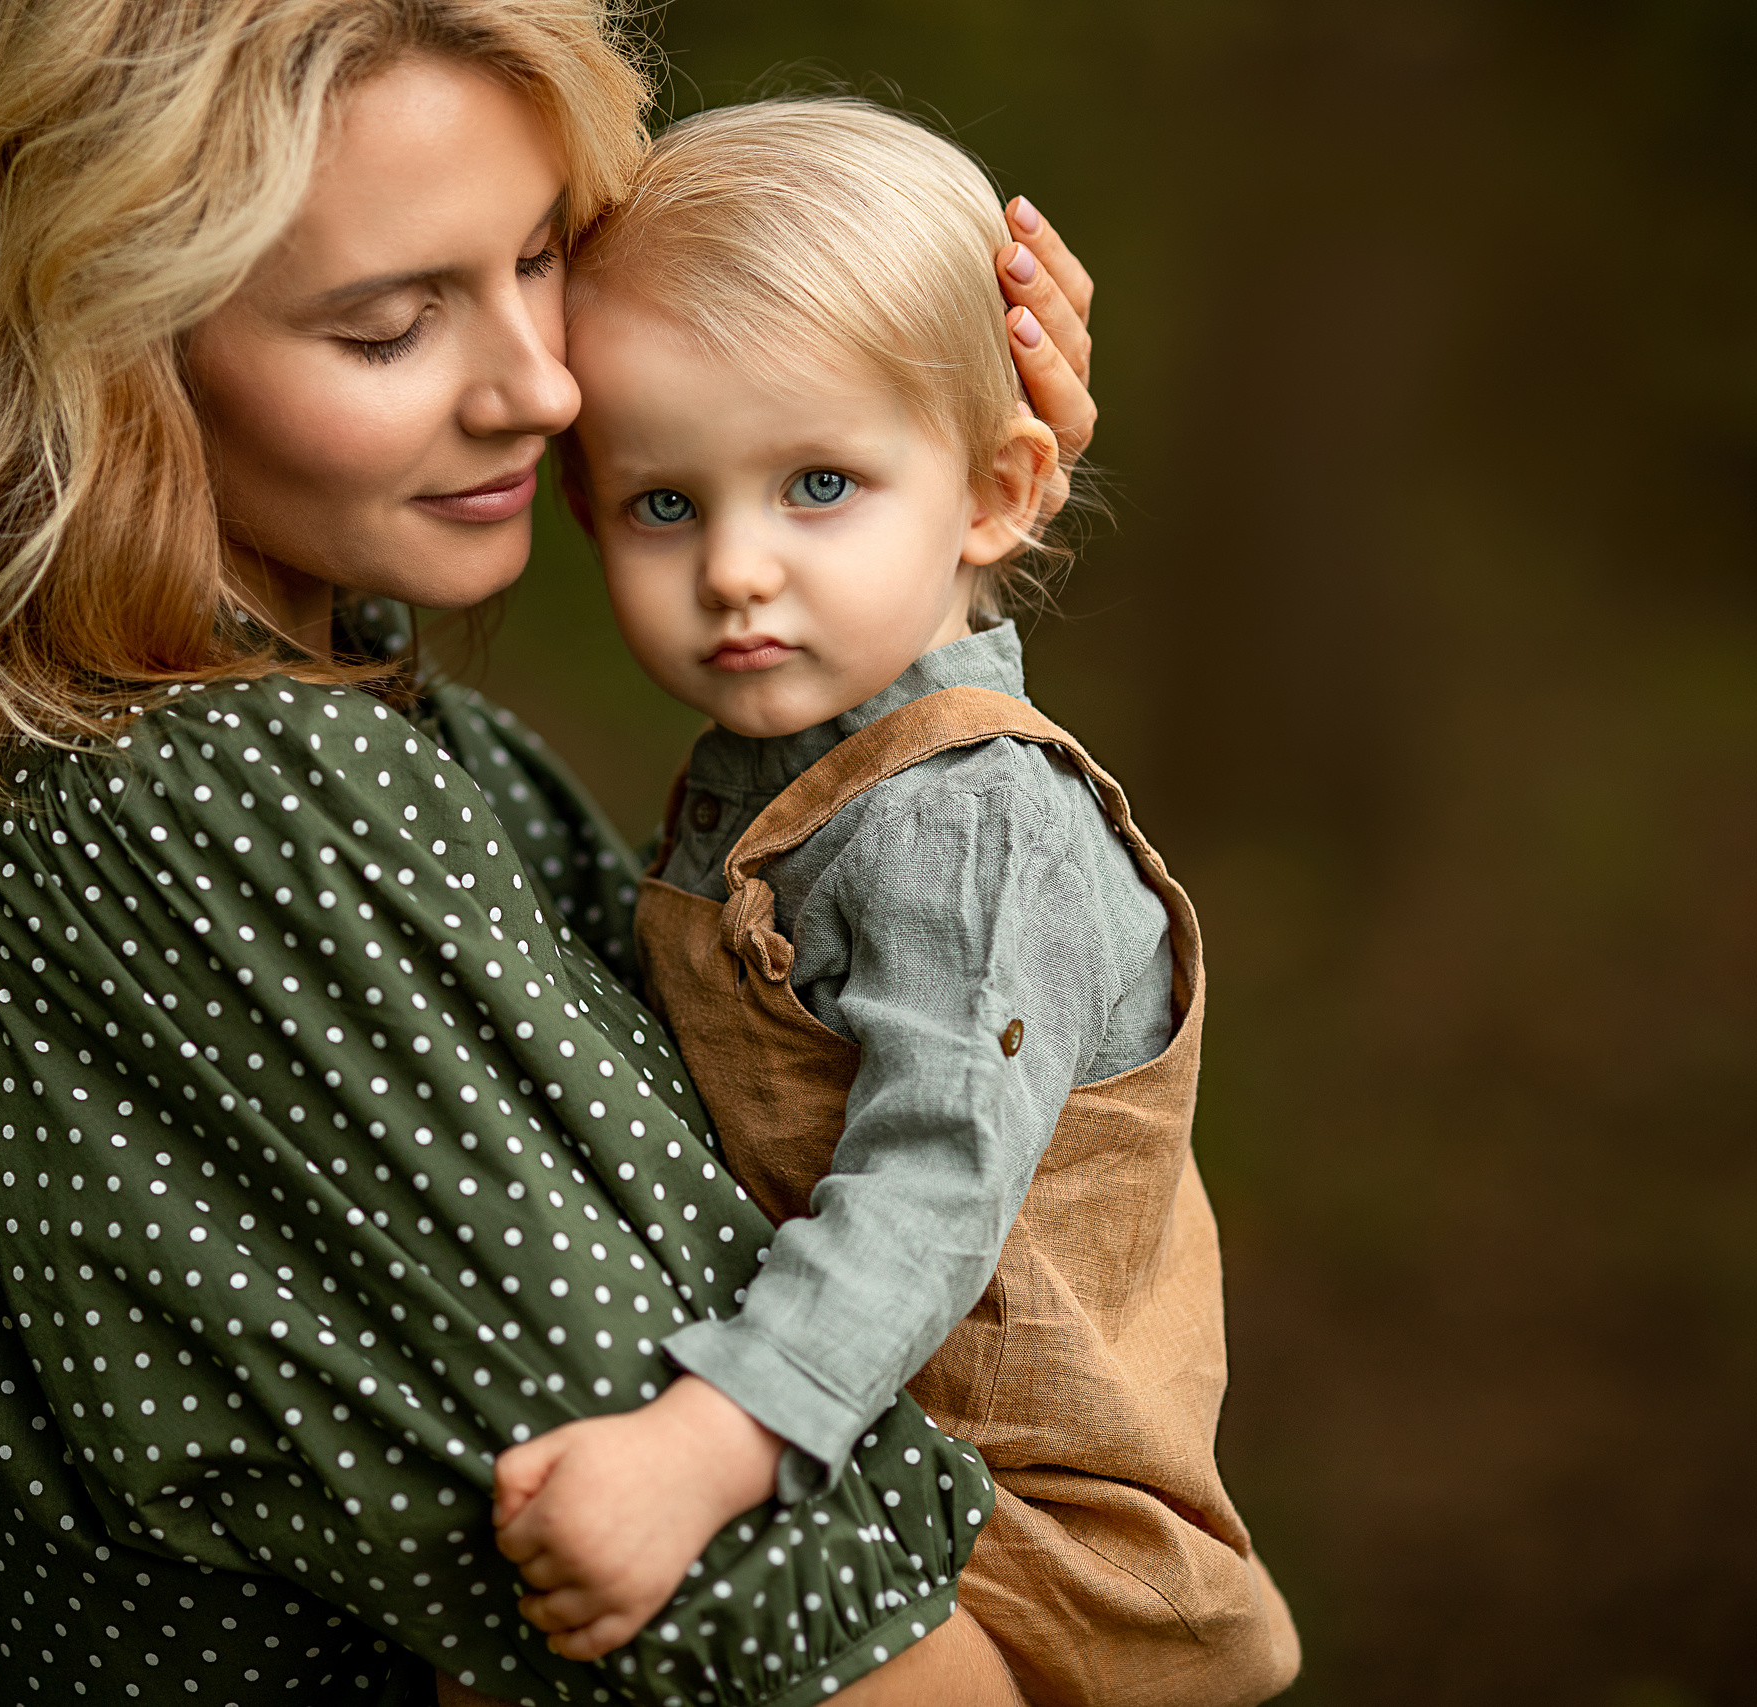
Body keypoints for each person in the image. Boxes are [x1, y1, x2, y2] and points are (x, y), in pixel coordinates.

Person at [0, 3, 1101, 1702]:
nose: (545, 385)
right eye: (387, 328)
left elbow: (778, 1052)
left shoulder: (135, 705)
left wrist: (925, 496)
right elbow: (811, 1655)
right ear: (104, 342)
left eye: (536, 258)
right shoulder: (214, 813)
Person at [485, 101, 1299, 1706]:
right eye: (666, 504)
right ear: (586, 510)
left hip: (1032, 1534)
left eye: (820, 483)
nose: (735, 567)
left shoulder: (972, 822)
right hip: (893, 1463)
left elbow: (933, 1182)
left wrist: (706, 1447)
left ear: (995, 491)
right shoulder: (783, 774)